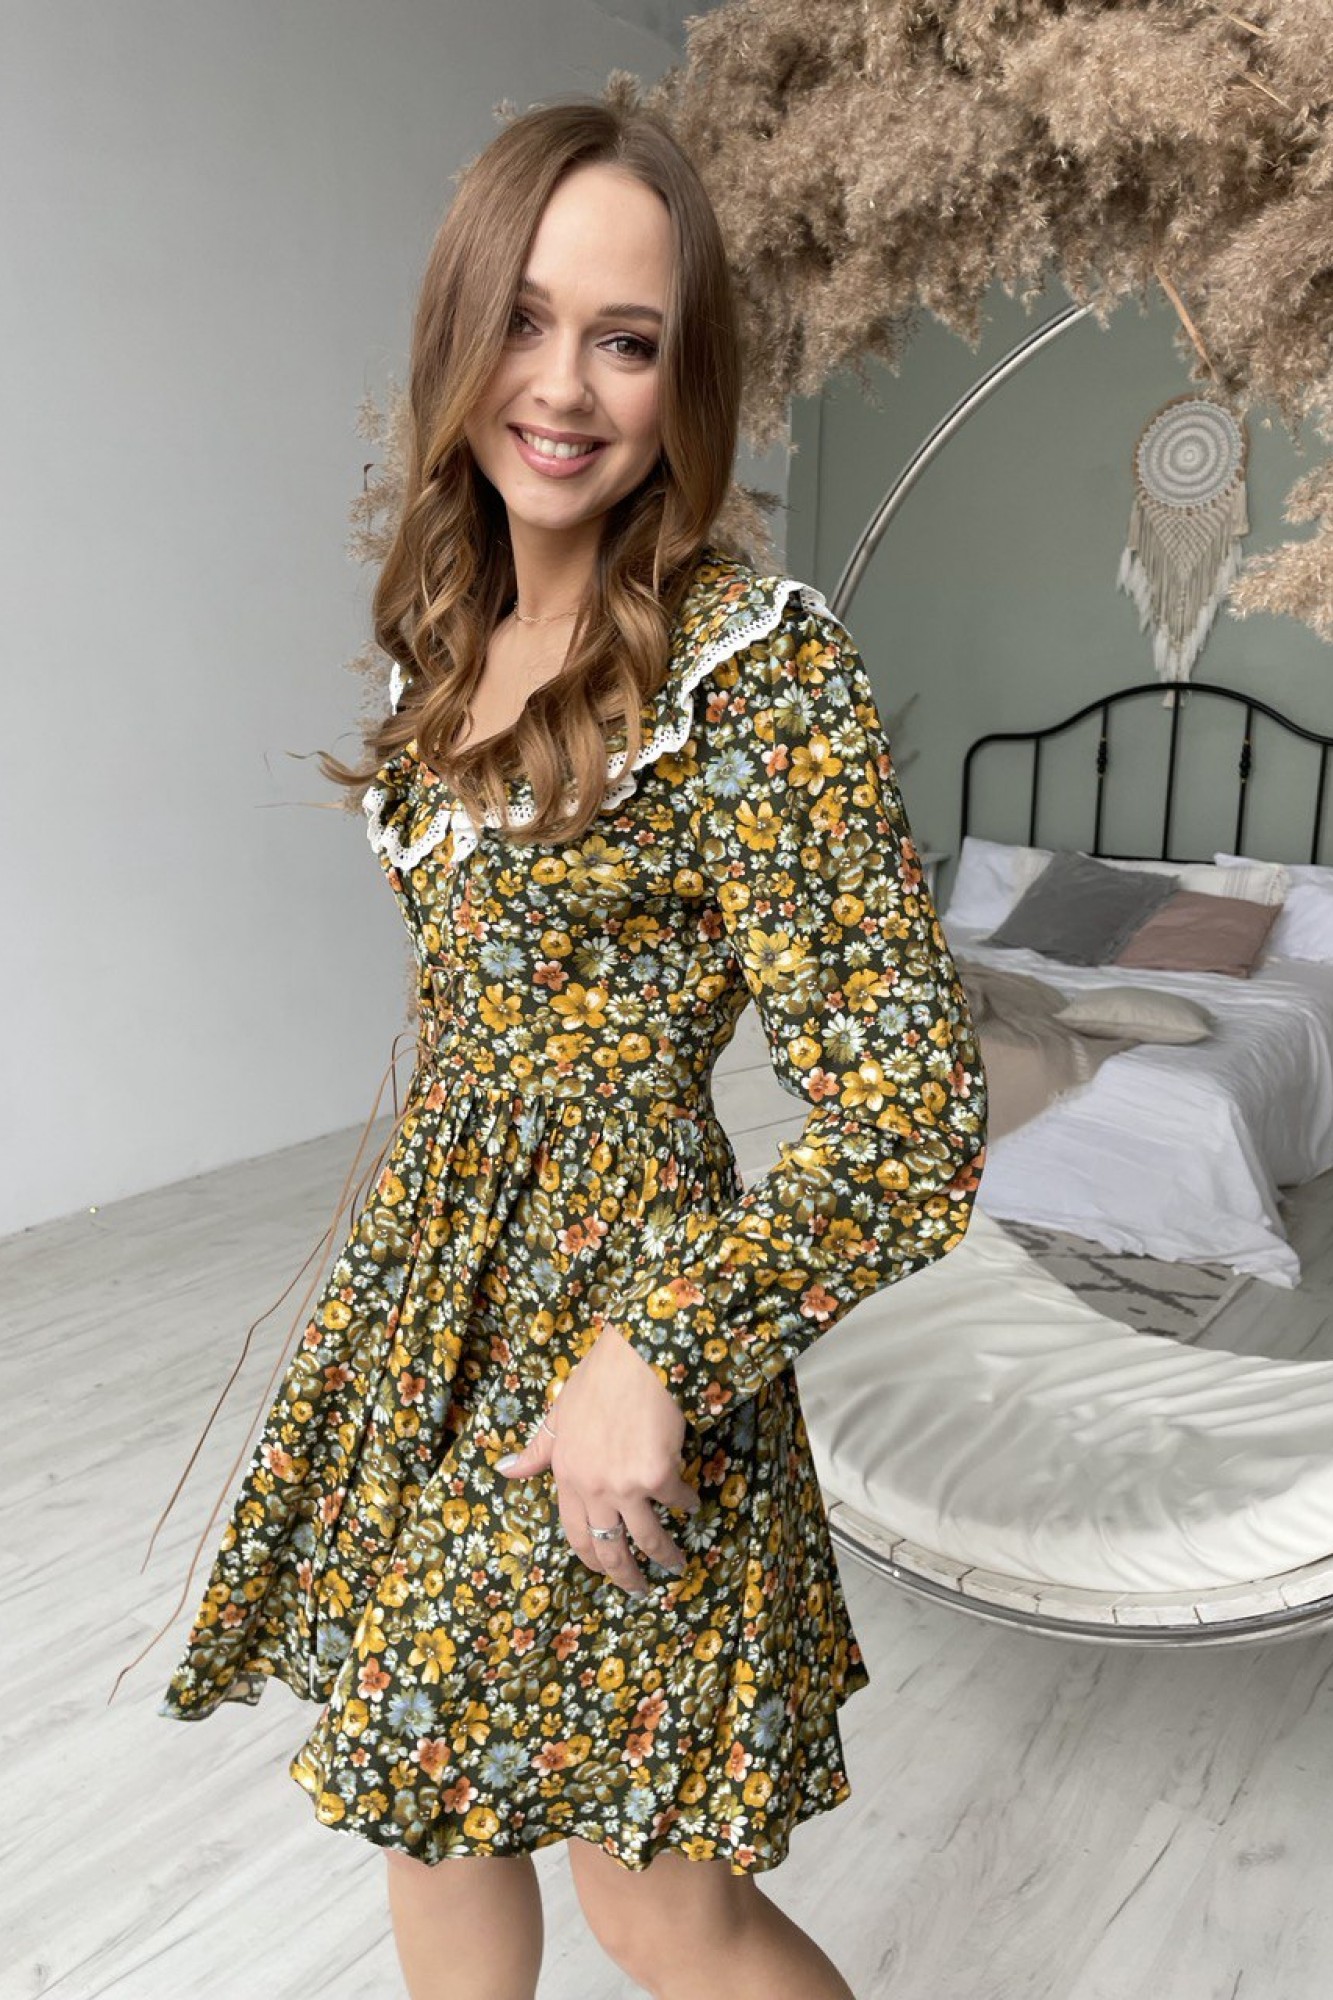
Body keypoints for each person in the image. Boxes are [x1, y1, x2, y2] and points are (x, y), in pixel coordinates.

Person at [154, 96, 987, 2000]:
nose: (561, 386)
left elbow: (913, 1122)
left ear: (686, 381)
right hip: (435, 1305)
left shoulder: (752, 671)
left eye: (625, 340)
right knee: (429, 1805)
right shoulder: (445, 640)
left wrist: (656, 1354)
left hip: (626, 1323)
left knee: (655, 1901)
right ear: (455, 330)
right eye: (523, 321)